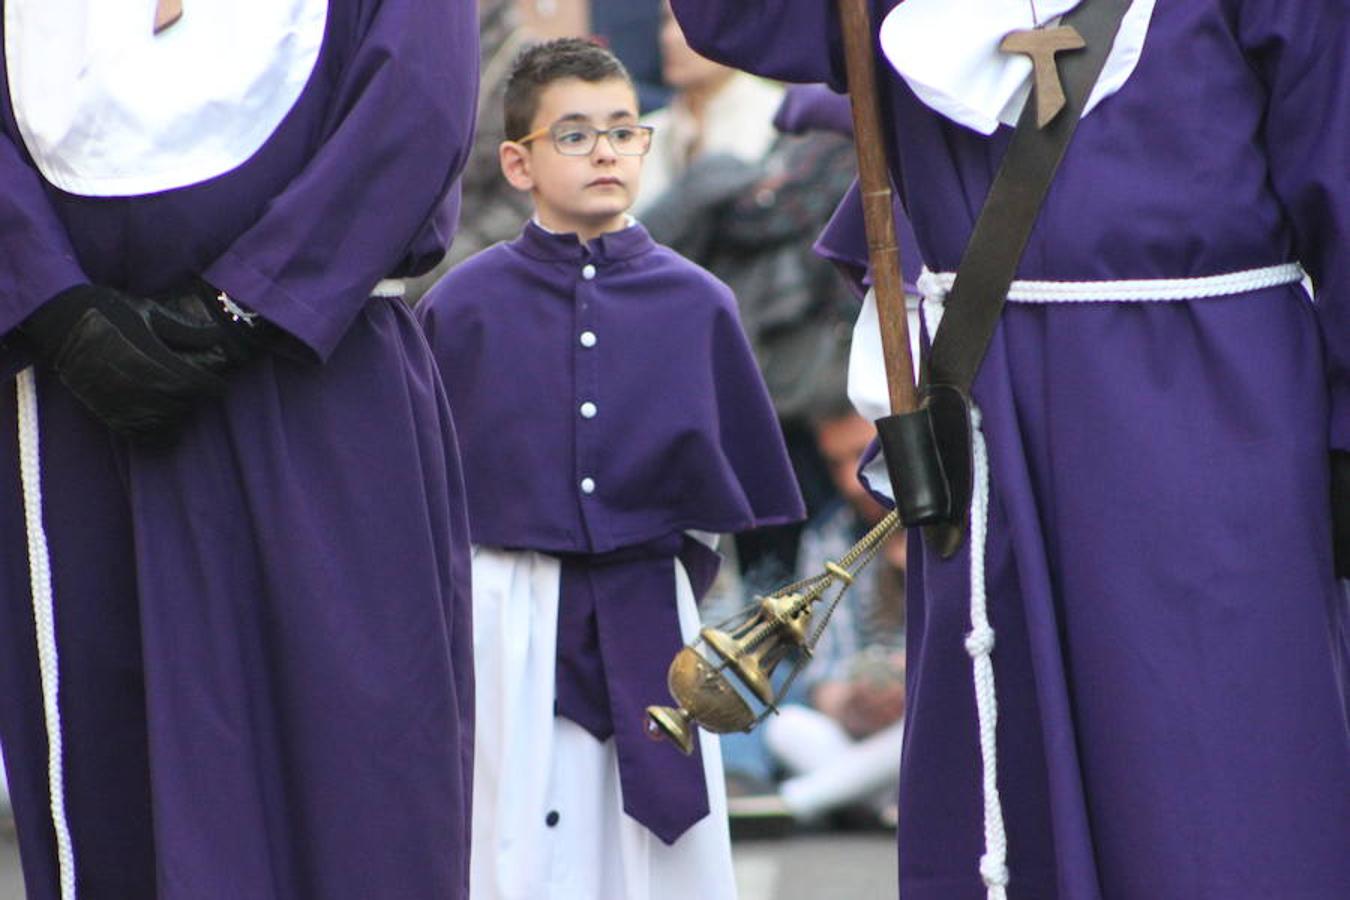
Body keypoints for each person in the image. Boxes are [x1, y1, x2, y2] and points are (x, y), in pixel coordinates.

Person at [669, 1, 1350, 898]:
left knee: (1212, 765)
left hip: (1211, 413)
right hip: (987, 423)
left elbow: (1336, 177)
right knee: (1008, 764)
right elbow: (738, 20)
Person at [0, 2, 478, 898]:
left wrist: (248, 301)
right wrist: (52, 306)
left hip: (317, 376)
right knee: (111, 769)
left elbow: (415, 103)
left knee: (355, 774)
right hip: (80, 398)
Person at [417, 38, 804, 900]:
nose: (604, 152)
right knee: (512, 822)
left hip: (649, 608)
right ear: (517, 162)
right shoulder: (462, 303)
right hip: (503, 609)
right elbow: (424, 490)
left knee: (650, 851)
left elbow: (743, 498)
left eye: (624, 132)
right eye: (575, 134)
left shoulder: (699, 302)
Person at [762, 404, 906, 827]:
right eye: (835, 464)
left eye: (863, 459)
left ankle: (803, 800)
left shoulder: (951, 523)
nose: (851, 483)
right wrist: (853, 702)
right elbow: (823, 669)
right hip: (868, 735)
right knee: (785, 726)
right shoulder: (829, 535)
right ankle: (887, 802)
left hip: (932, 720)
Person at [633, 3, 784, 214]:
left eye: (691, 22)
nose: (670, 38)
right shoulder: (641, 135)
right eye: (667, 21)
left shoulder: (780, 119)